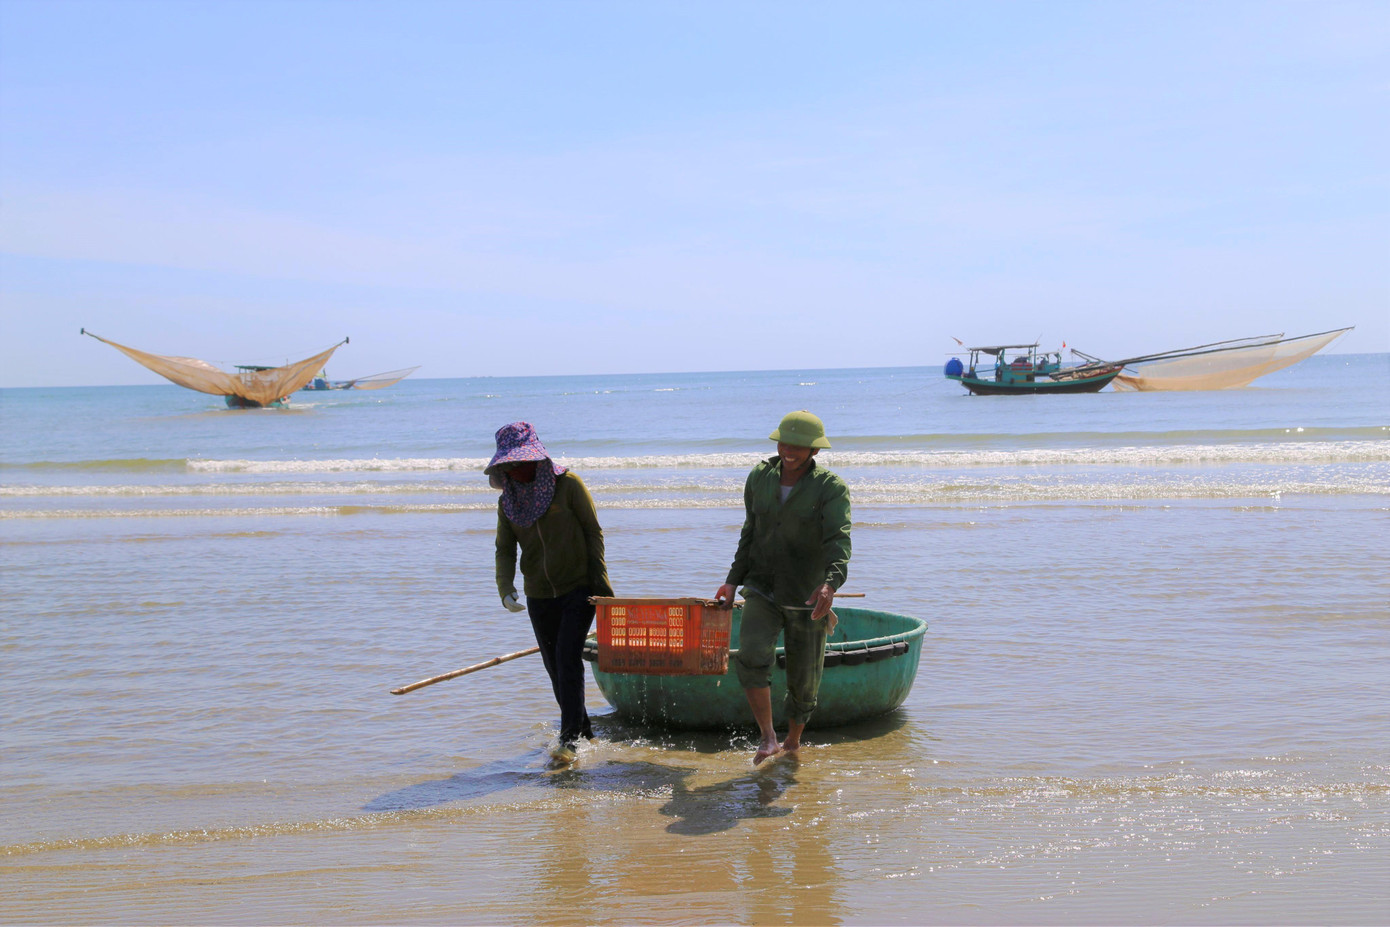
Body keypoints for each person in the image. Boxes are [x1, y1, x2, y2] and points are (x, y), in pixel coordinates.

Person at [714, 410, 852, 765]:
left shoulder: (830, 488)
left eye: (798, 446)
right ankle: (768, 737)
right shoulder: (759, 477)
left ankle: (792, 741)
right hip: (761, 586)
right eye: (784, 443)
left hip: (807, 594)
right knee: (751, 656)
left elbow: (838, 541)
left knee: (804, 679)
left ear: (814, 451)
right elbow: (749, 532)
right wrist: (732, 580)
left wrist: (830, 585)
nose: (788, 451)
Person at [488, 422, 614, 763]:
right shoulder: (508, 501)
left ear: (536, 458)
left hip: (578, 587)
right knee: (554, 667)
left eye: (520, 462)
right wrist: (505, 588)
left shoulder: (568, 485)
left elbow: (593, 532)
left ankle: (568, 740)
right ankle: (584, 730)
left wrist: (601, 585)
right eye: (509, 465)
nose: (515, 470)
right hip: (538, 594)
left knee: (567, 659)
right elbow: (504, 549)